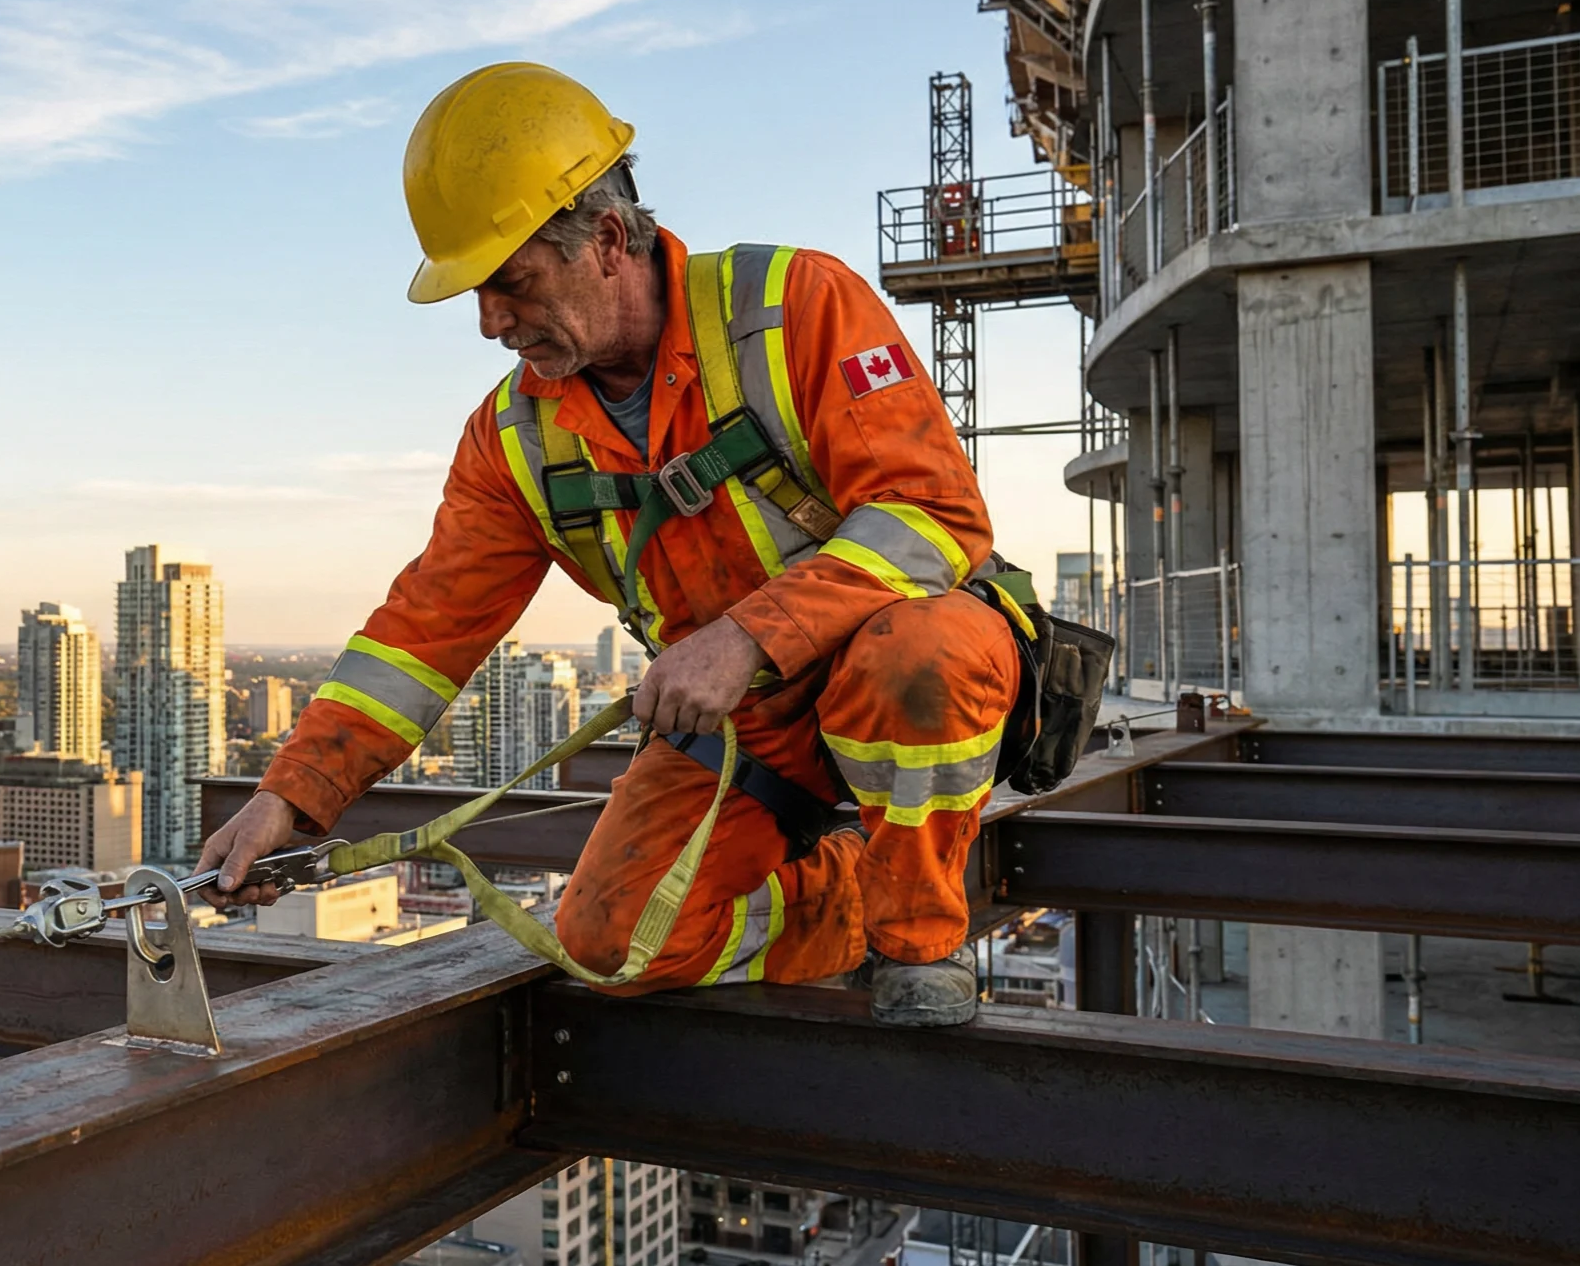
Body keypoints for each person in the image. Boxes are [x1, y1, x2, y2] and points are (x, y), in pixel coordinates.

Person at [197, 62, 1018, 1026]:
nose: (491, 322)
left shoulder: (793, 306)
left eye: (512, 283)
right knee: (615, 944)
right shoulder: (515, 440)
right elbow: (420, 636)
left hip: (895, 673)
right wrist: (291, 800)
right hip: (749, 721)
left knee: (918, 653)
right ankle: (849, 886)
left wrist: (747, 637)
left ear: (609, 242)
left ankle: (918, 937)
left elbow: (933, 513)